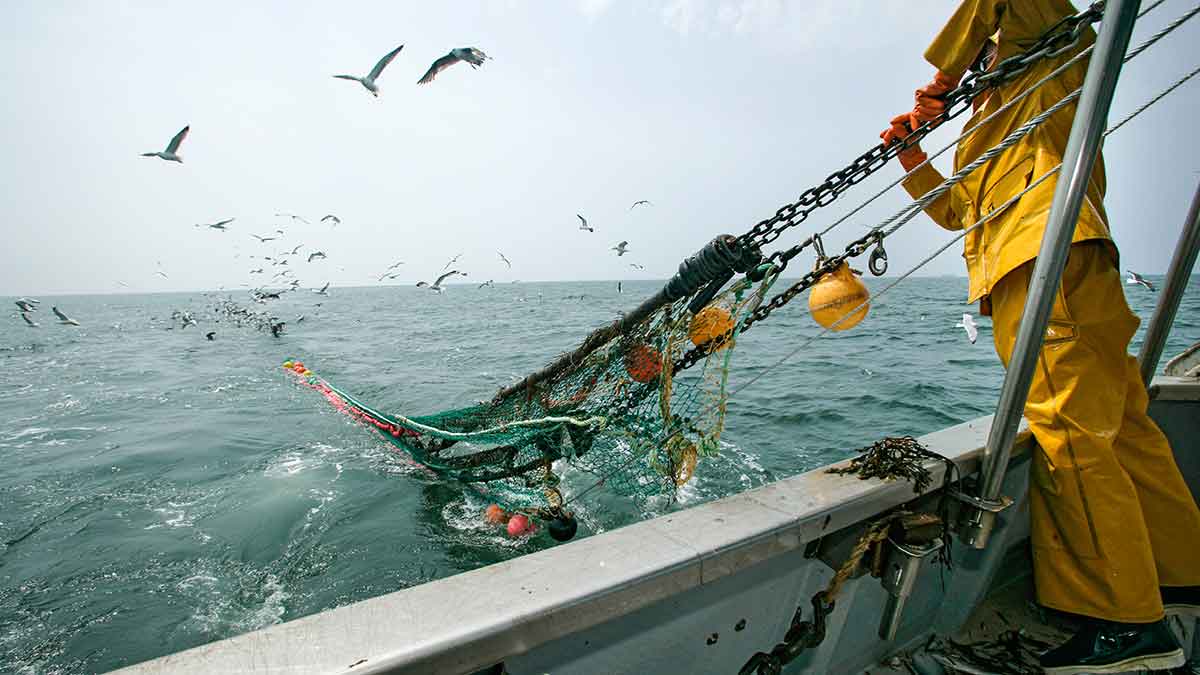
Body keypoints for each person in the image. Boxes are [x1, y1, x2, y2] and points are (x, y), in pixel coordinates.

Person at [881, 1, 1200, 673]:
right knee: (1126, 426)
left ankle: (1126, 626)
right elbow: (964, 210)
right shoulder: (1001, 111)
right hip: (1071, 263)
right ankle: (1179, 576)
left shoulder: (1051, 43)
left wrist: (937, 85)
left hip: (1046, 265)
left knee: (1071, 438)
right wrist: (912, 157)